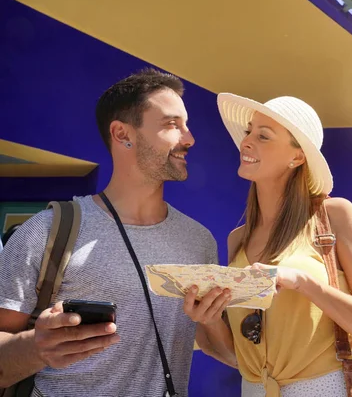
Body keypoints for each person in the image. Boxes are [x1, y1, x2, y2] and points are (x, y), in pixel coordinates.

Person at [0, 68, 218, 396]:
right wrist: (37, 346)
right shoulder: (45, 233)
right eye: (172, 124)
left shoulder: (199, 242)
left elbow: (222, 349)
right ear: (122, 134)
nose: (189, 138)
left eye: (186, 125)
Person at [184, 93, 352, 396]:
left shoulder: (334, 216)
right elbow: (236, 355)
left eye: (263, 136)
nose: (246, 142)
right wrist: (207, 320)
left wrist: (304, 283)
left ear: (297, 157)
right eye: (249, 132)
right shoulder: (238, 240)